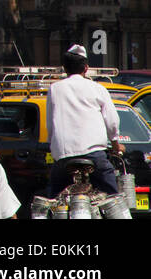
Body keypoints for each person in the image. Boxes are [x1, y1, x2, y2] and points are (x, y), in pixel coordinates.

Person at [47, 44, 121, 197]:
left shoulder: (54, 89)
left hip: (63, 156)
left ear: (65, 68)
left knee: (54, 197)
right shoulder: (97, 88)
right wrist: (115, 144)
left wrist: (54, 148)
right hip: (94, 155)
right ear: (86, 68)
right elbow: (112, 122)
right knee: (113, 197)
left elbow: (50, 125)